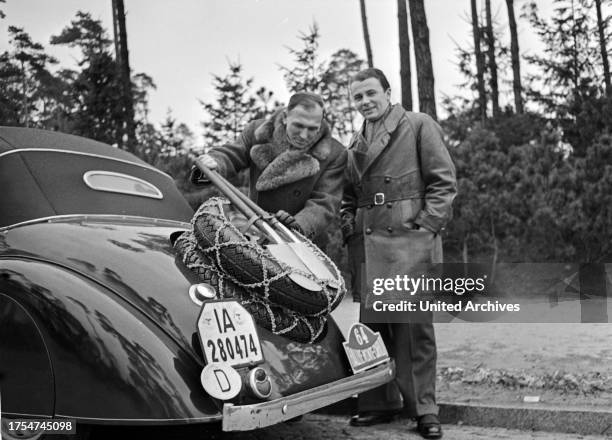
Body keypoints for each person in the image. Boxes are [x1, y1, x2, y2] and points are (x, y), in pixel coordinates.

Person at [341, 68, 456, 439]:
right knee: (372, 329)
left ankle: (424, 409)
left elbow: (444, 184)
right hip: (370, 244)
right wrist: (349, 227)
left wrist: (424, 229)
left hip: (410, 241)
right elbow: (347, 198)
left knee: (414, 330)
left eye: (371, 93)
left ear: (387, 92)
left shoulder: (418, 125)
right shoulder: (354, 144)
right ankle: (379, 403)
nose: (365, 102)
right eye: (357, 97)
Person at [191, 92, 347, 246]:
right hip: (254, 234)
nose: (305, 135)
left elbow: (324, 203)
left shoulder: (335, 153)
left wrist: (296, 227)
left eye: (313, 129)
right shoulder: (257, 131)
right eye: (298, 126)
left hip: (302, 243)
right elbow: (232, 154)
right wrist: (214, 162)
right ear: (286, 117)